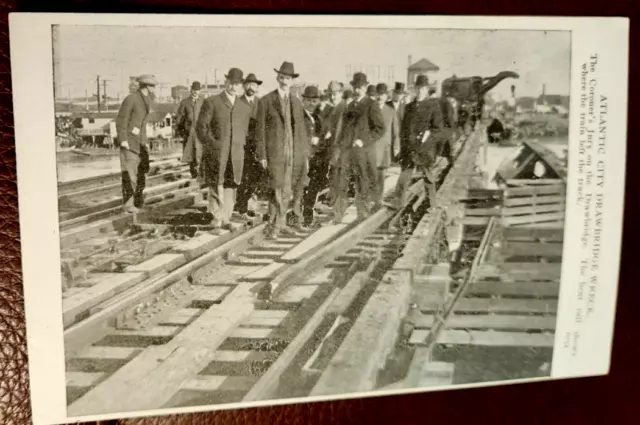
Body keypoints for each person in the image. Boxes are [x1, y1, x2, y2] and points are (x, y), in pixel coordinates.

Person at [255, 61, 310, 238]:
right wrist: (262, 154)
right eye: (282, 77)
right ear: (277, 78)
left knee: (287, 189)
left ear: (292, 81)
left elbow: (301, 130)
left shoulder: (296, 102)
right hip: (275, 152)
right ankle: (276, 225)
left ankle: (280, 223)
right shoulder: (266, 101)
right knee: (277, 187)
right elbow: (260, 130)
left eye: (288, 78)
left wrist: (304, 154)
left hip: (293, 152)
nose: (284, 81)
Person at [196, 68, 252, 229]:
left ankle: (226, 218)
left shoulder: (244, 106)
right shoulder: (212, 102)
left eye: (237, 84)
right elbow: (201, 128)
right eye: (231, 83)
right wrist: (213, 145)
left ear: (241, 86)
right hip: (217, 153)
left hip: (235, 153)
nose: (233, 87)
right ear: (226, 82)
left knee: (231, 184)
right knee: (215, 183)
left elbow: (247, 130)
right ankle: (216, 218)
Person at [331, 72, 385, 222]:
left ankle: (363, 214)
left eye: (360, 87)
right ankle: (338, 215)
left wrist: (364, 141)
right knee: (342, 181)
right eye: (355, 87)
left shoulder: (371, 104)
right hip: (348, 151)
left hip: (363, 152)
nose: (357, 90)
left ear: (365, 87)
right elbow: (345, 129)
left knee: (362, 182)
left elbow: (380, 129)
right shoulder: (350, 105)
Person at [395, 74, 445, 207]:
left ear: (427, 89)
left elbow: (438, 130)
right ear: (414, 89)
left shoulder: (433, 105)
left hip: (424, 148)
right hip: (409, 148)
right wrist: (402, 146)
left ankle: (432, 205)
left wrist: (427, 137)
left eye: (423, 88)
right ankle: (398, 205)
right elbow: (404, 129)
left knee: (428, 177)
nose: (420, 91)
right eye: (418, 88)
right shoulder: (409, 107)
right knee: (404, 177)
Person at [115, 74, 157, 214]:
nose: (154, 88)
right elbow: (121, 120)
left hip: (140, 143)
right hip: (130, 143)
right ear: (145, 86)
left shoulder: (147, 100)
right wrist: (123, 140)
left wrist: (145, 143)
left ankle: (137, 203)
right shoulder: (131, 99)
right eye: (152, 86)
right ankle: (128, 205)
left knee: (141, 174)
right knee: (130, 175)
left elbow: (142, 125)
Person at [235, 73, 264, 218]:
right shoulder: (237, 102)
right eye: (248, 84)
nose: (251, 87)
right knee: (243, 176)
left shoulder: (261, 103)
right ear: (243, 86)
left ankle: (251, 203)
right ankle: (242, 208)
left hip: (257, 146)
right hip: (242, 146)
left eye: (254, 85)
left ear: (257, 87)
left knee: (256, 176)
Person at [300, 85, 327, 227]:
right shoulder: (299, 116)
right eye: (309, 100)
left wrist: (319, 140)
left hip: (317, 159)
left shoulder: (319, 116)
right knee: (302, 188)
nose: (311, 103)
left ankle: (308, 215)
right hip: (303, 157)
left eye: (314, 100)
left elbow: (323, 136)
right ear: (303, 100)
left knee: (313, 188)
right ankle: (300, 216)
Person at [374, 83, 399, 206]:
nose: (380, 97)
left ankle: (378, 200)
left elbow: (396, 131)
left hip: (384, 147)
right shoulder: (370, 109)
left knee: (381, 175)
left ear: (386, 96)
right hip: (371, 147)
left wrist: (396, 146)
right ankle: (369, 199)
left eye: (383, 95)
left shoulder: (390, 111)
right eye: (378, 94)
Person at [175, 81, 204, 179]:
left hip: (200, 133)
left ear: (200, 91)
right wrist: (181, 132)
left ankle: (201, 173)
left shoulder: (203, 101)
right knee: (191, 154)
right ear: (191, 90)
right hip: (189, 133)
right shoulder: (185, 102)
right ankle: (193, 173)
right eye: (194, 90)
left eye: (197, 90)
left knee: (201, 153)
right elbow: (179, 118)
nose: (195, 92)